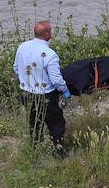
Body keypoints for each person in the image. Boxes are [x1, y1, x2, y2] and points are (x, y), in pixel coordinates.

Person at [13, 20, 72, 156]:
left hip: (26, 94)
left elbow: (16, 67)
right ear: (47, 35)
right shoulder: (50, 54)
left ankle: (36, 152)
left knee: (34, 124)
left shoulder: (22, 46)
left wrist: (27, 81)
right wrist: (65, 90)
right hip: (46, 96)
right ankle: (59, 153)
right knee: (56, 125)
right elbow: (56, 80)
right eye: (50, 31)